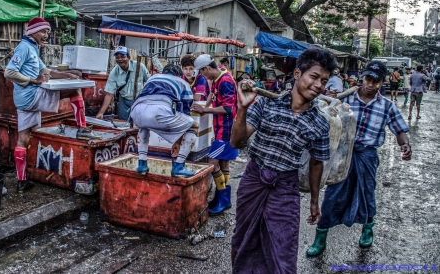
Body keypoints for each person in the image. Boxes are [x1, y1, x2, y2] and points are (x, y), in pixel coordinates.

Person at [229, 48, 337, 273]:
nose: (318, 85)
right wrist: (242, 108)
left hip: (286, 187)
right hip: (254, 180)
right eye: (314, 77)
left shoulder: (319, 122)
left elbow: (317, 163)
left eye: (324, 81)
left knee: (284, 250)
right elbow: (236, 143)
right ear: (297, 74)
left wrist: (315, 202)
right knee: (243, 239)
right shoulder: (266, 104)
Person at [306, 60, 411, 256]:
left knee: (367, 193)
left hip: (367, 156)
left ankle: (367, 230)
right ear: (362, 78)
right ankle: (320, 238)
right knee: (333, 194)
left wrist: (404, 144)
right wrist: (329, 101)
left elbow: (400, 130)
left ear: (382, 82)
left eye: (376, 82)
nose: (371, 85)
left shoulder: (387, 106)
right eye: (368, 79)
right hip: (342, 154)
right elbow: (322, 115)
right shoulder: (345, 100)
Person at [4, 17, 100, 193]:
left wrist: (68, 74)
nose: (46, 35)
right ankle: (82, 127)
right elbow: (9, 72)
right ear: (32, 31)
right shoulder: (24, 48)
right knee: (75, 91)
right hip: (32, 95)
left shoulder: (32, 48)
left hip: (23, 101)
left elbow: (45, 71)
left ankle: (21, 180)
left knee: (23, 137)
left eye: (47, 32)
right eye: (43, 31)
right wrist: (34, 80)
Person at [129, 64, 199, 177]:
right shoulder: (183, 83)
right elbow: (185, 115)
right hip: (160, 112)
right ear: (180, 75)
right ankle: (179, 166)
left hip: (136, 111)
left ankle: (142, 164)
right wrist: (177, 142)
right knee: (194, 125)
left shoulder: (152, 78)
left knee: (144, 126)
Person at [190, 54, 238, 216]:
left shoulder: (225, 81)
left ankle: (223, 198)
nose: (203, 76)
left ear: (207, 68)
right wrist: (206, 105)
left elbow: (228, 108)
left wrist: (205, 110)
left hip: (225, 129)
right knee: (224, 163)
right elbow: (212, 94)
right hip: (220, 127)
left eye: (203, 73)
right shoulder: (219, 76)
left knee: (212, 162)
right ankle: (222, 198)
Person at [96, 46, 150, 120]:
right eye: (117, 57)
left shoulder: (140, 67)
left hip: (139, 101)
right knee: (123, 123)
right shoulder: (114, 73)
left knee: (140, 122)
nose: (120, 59)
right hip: (124, 101)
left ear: (128, 57)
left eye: (122, 56)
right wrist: (101, 113)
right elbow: (109, 94)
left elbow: (149, 82)